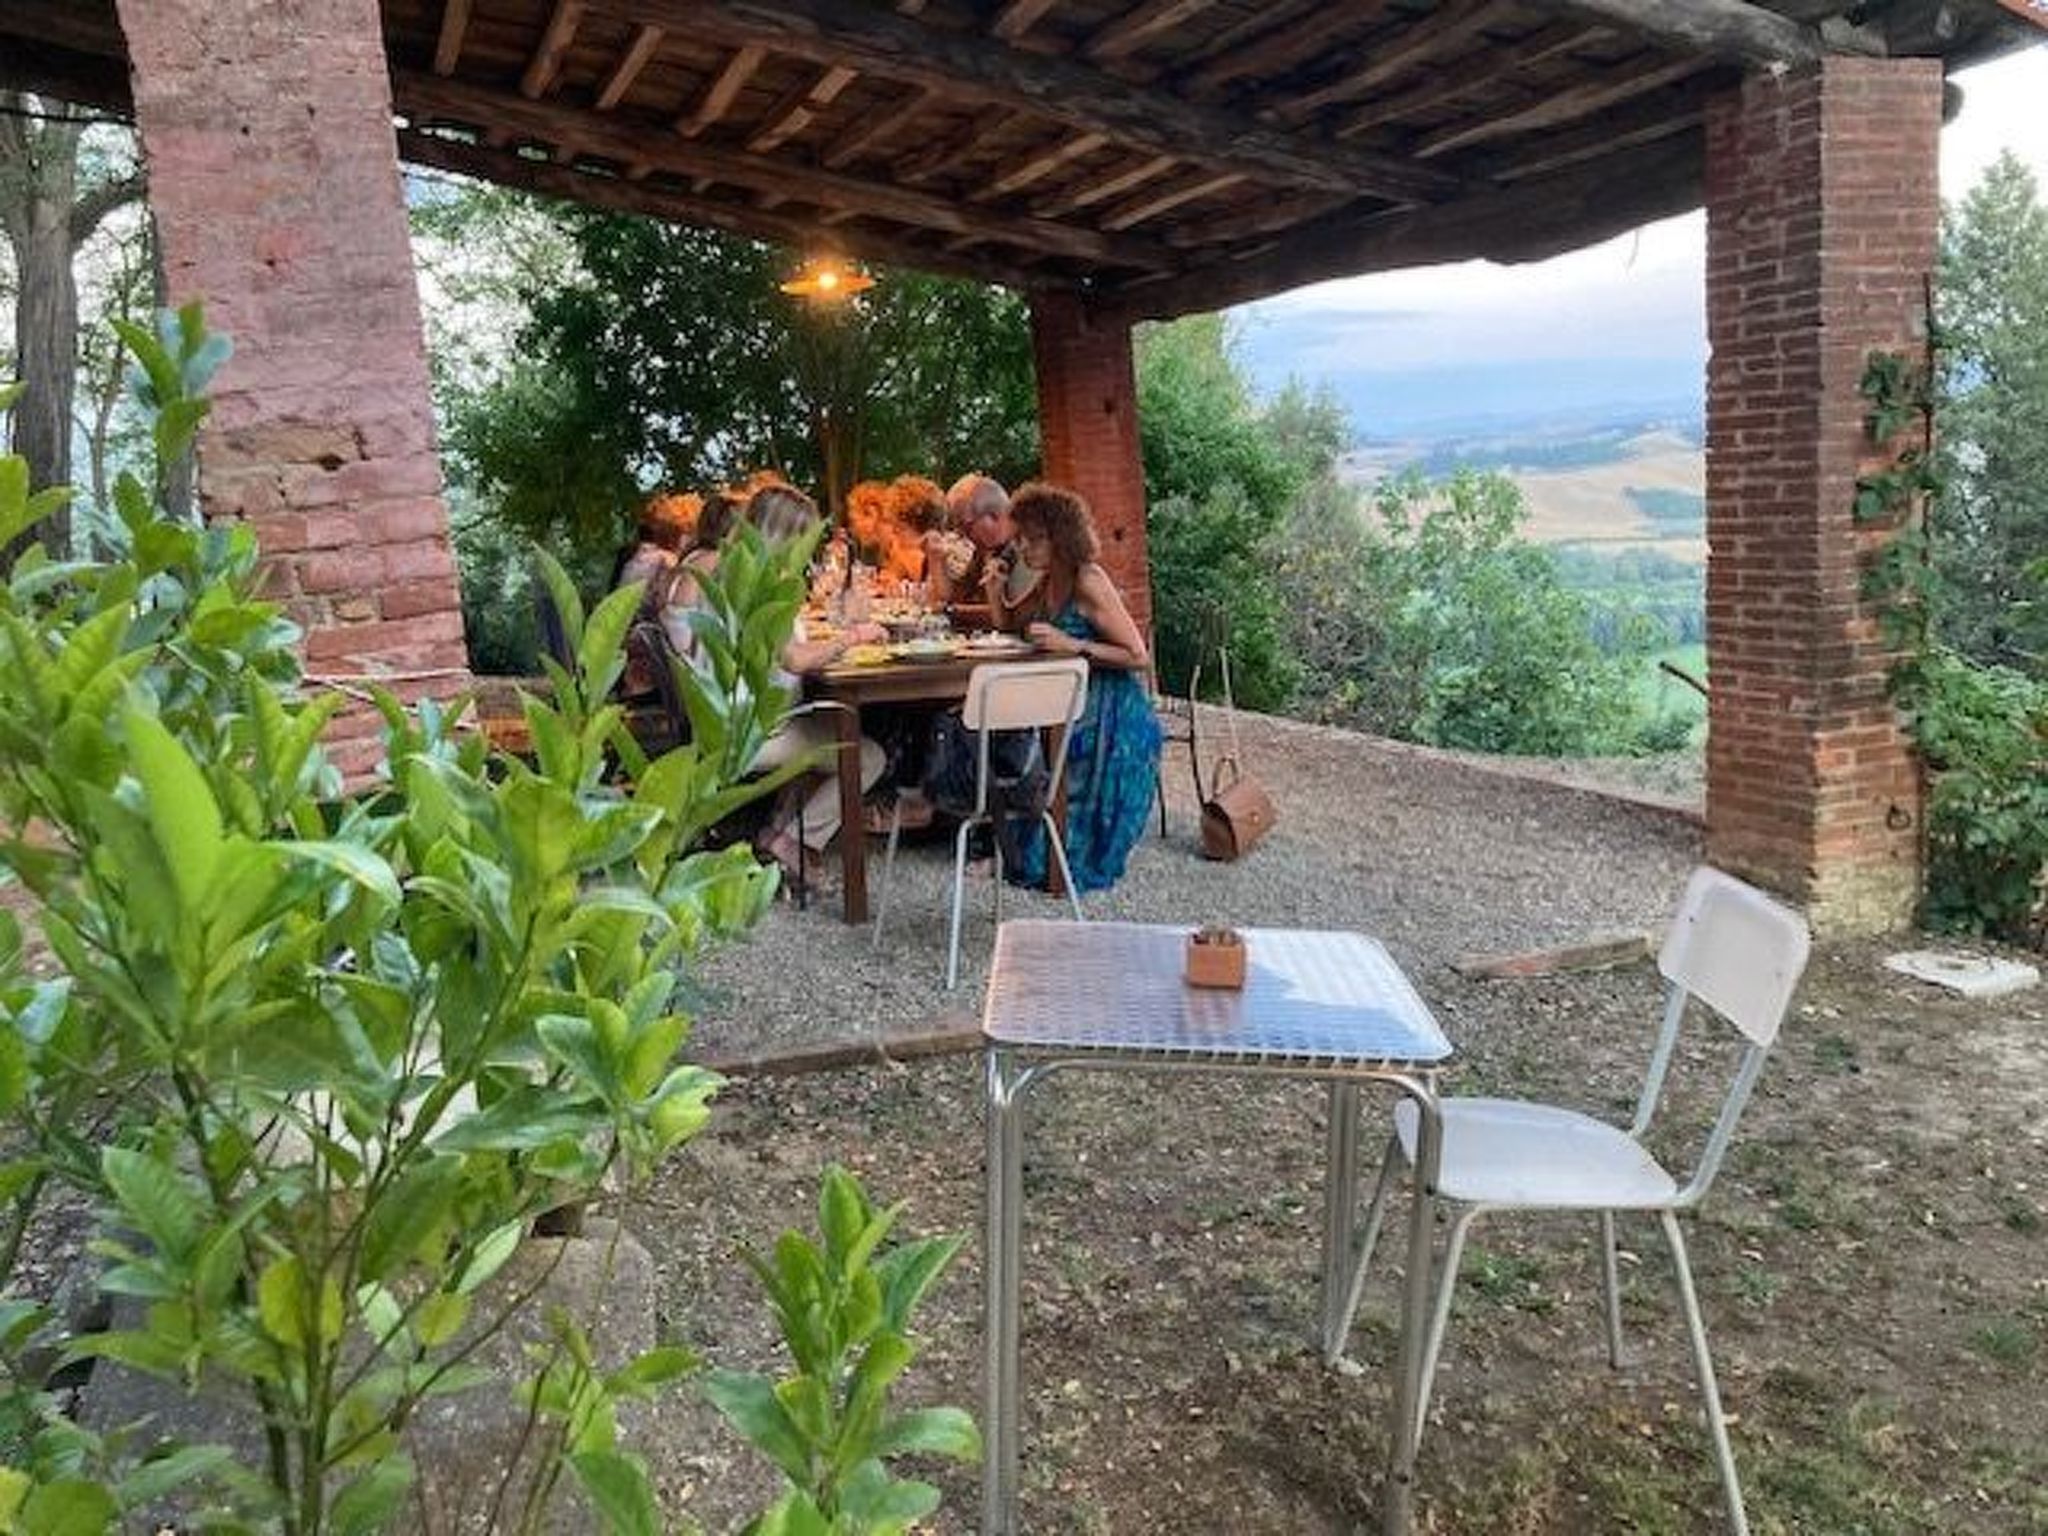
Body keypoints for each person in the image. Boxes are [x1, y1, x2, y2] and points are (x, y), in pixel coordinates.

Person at [996, 482, 1162, 894]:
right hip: (1065, 702)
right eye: (1021, 539)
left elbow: (1138, 656)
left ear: (1061, 539)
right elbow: (1009, 624)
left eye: (1033, 540)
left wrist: (1075, 646)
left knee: (1050, 853)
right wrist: (994, 586)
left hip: (1111, 713)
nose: (1024, 549)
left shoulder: (1088, 580)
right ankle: (998, 828)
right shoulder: (1050, 578)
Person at [730, 482, 889, 891]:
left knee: (826, 729)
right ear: (782, 536)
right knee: (866, 756)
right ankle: (794, 842)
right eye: (803, 537)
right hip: (761, 731)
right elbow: (796, 660)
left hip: (738, 720)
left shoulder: (736, 572)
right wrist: (853, 637)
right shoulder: (766, 587)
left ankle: (778, 831)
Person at [608, 492, 696, 697]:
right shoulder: (666, 562)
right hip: (648, 663)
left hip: (623, 650)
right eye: (690, 533)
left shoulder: (638, 556)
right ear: (679, 532)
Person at [928, 473, 1013, 609]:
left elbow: (1014, 615)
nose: (963, 535)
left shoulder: (1024, 549)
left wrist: (955, 611)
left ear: (993, 516)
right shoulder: (985, 551)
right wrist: (937, 561)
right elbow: (955, 596)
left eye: (966, 526)